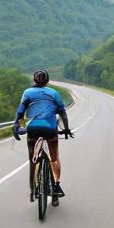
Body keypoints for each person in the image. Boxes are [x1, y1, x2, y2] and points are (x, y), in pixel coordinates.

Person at [13, 69, 71, 204]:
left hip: (32, 129)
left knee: (32, 159)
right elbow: (62, 113)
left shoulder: (27, 92)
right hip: (50, 130)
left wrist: (16, 124)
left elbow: (20, 111)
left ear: (34, 80)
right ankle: (56, 187)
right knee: (54, 158)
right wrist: (66, 130)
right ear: (47, 81)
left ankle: (33, 190)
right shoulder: (54, 93)